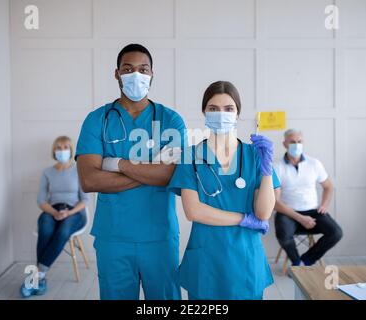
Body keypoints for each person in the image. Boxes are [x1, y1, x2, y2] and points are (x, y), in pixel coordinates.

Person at [75, 44, 186, 300]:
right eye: (128, 69)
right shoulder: (98, 120)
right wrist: (151, 170)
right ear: (116, 74)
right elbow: (89, 180)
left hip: (159, 237)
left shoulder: (171, 121)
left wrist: (117, 164)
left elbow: (171, 175)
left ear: (152, 74)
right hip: (113, 238)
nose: (136, 75)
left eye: (142, 69)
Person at [168, 81, 280, 300]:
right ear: (204, 111)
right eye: (213, 108)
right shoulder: (190, 155)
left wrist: (266, 169)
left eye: (228, 109)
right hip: (207, 259)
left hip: (246, 260)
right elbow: (194, 211)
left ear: (238, 114)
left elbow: (263, 213)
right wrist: (242, 219)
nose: (221, 114)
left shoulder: (254, 155)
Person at [20, 136, 88, 298]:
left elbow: (85, 200)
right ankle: (40, 276)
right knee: (45, 224)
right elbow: (41, 200)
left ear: (71, 150)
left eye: (65, 147)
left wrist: (68, 213)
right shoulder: (48, 172)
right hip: (53, 210)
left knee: (64, 229)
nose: (62, 150)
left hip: (74, 212)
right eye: (58, 147)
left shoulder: (79, 170)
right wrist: (54, 212)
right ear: (54, 151)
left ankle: (38, 275)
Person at [274, 129, 343, 267]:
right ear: (284, 144)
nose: (297, 144)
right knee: (283, 234)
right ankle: (296, 262)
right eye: (292, 142)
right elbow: (275, 203)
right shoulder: (276, 167)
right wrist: (300, 218)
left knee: (336, 233)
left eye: (299, 141)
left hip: (312, 211)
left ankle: (305, 261)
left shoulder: (314, 163)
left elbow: (328, 186)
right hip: (288, 213)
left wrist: (324, 205)